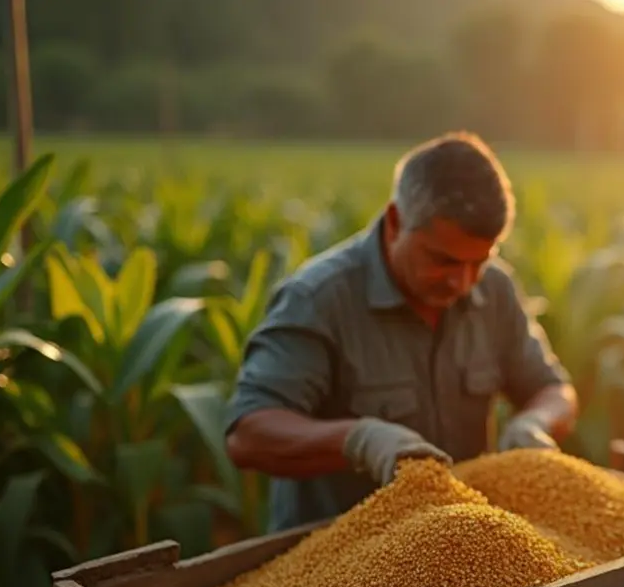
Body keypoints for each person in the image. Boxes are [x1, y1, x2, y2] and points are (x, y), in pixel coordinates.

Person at [224, 132, 578, 532]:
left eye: (479, 261)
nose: (462, 282)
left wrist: (535, 422)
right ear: (395, 221)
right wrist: (359, 440)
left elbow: (554, 390)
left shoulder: (494, 289)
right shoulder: (319, 299)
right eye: (443, 260)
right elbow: (248, 435)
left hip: (458, 543)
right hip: (335, 556)